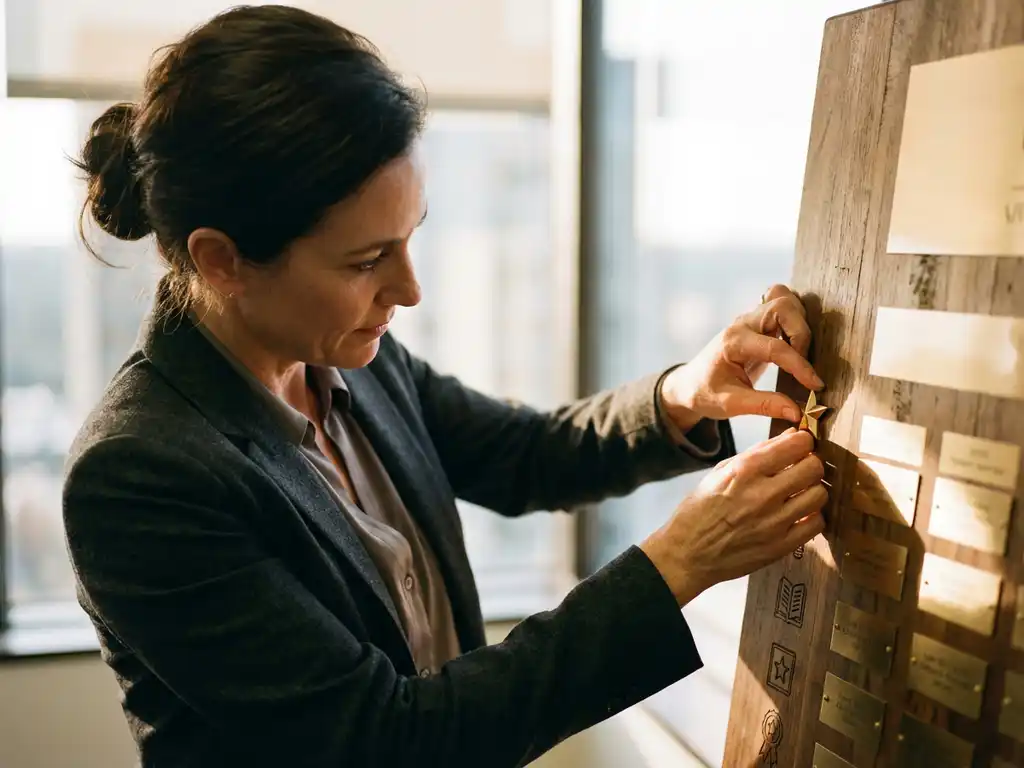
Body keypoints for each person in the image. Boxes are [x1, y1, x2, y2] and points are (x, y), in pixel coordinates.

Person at [62, 6, 828, 767]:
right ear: (223, 261)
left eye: (411, 236)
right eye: (366, 261)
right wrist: (677, 565)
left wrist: (685, 393)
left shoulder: (344, 353)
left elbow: (528, 453)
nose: (409, 288)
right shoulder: (140, 476)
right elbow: (387, 741)